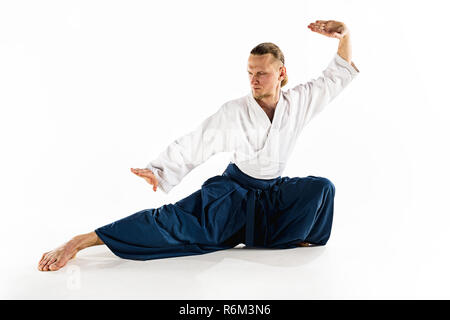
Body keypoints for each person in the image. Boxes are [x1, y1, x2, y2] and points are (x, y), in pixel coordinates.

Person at [38, 20, 359, 271]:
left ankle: (292, 239)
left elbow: (333, 79)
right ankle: (81, 241)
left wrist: (344, 34)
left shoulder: (299, 102)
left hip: (271, 194)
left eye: (262, 73)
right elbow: (198, 140)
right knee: (170, 221)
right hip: (232, 193)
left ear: (281, 74)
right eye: (250, 73)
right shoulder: (236, 111)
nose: (254, 80)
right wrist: (160, 170)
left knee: (321, 189)